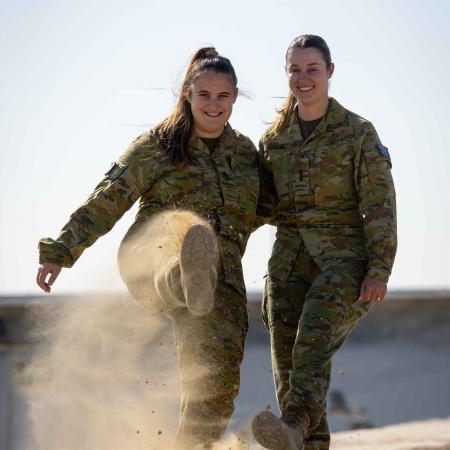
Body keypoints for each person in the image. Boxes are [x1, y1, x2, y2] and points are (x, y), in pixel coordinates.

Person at [35, 47, 260, 450]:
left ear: (234, 98)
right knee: (181, 235)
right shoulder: (158, 145)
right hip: (152, 253)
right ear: (187, 93)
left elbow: (275, 207)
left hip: (219, 279)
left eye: (222, 96)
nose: (213, 105)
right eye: (204, 95)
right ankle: (182, 275)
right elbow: (108, 198)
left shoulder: (245, 154)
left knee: (217, 379)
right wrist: (61, 250)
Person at [251, 35, 398, 450]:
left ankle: (293, 425)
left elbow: (380, 205)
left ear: (330, 71)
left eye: (312, 69)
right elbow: (263, 207)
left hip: (343, 264)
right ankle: (302, 439)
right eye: (295, 70)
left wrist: (379, 269)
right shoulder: (274, 139)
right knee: (287, 367)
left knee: (310, 349)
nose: (303, 78)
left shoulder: (357, 133)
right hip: (287, 266)